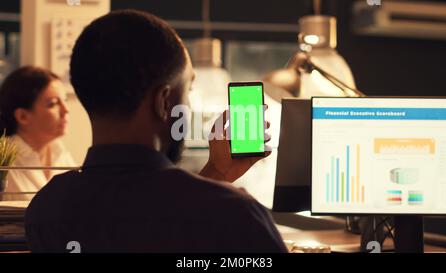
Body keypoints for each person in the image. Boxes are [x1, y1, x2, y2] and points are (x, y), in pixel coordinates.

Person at [25, 9, 287, 252]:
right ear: (163, 102)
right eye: (188, 90)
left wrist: (216, 173)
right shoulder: (235, 215)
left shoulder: (47, 209)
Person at [0, 66, 76, 201]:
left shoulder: (60, 152)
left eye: (64, 100)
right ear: (23, 116)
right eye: (53, 104)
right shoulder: (5, 164)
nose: (66, 110)